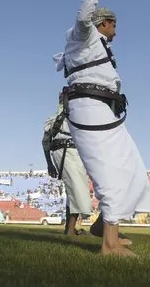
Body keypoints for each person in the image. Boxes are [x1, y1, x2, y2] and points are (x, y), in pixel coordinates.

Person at [54, 0, 150, 256]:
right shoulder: (82, 36)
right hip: (88, 107)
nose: (116, 30)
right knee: (108, 170)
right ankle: (109, 244)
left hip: (104, 110)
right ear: (105, 22)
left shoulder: (99, 46)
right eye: (113, 24)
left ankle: (104, 227)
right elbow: (83, 17)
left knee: (130, 165)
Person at [41, 94, 92, 236]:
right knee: (76, 190)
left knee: (73, 191)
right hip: (69, 152)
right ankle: (70, 230)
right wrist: (49, 164)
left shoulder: (54, 118)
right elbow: (45, 142)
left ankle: (70, 228)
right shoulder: (72, 116)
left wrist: (50, 164)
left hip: (64, 153)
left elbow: (45, 142)